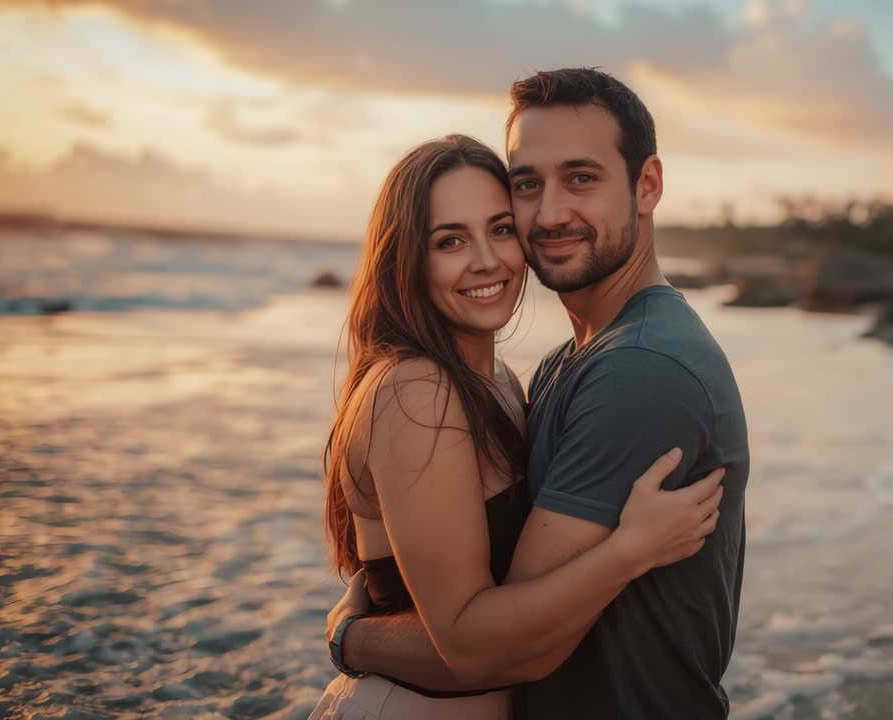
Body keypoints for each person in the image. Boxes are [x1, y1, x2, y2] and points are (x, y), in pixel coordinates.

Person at [309, 133, 727, 719]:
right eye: (450, 240)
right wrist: (631, 550)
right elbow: (469, 649)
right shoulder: (417, 391)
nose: (486, 259)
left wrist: (351, 636)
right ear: (406, 257)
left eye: (500, 229)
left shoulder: (501, 382)